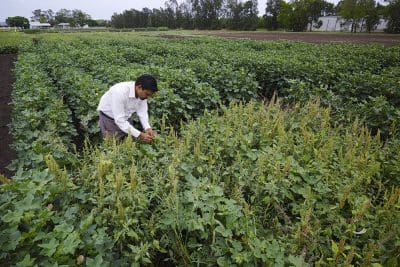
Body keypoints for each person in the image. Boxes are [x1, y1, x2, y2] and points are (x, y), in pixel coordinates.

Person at [97, 74, 157, 143]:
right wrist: (140, 135)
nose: (148, 97)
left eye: (150, 95)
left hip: (126, 117)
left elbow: (142, 112)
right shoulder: (119, 92)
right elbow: (120, 120)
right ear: (139, 87)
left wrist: (147, 127)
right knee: (113, 145)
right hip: (109, 119)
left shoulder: (142, 94)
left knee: (129, 142)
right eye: (147, 94)